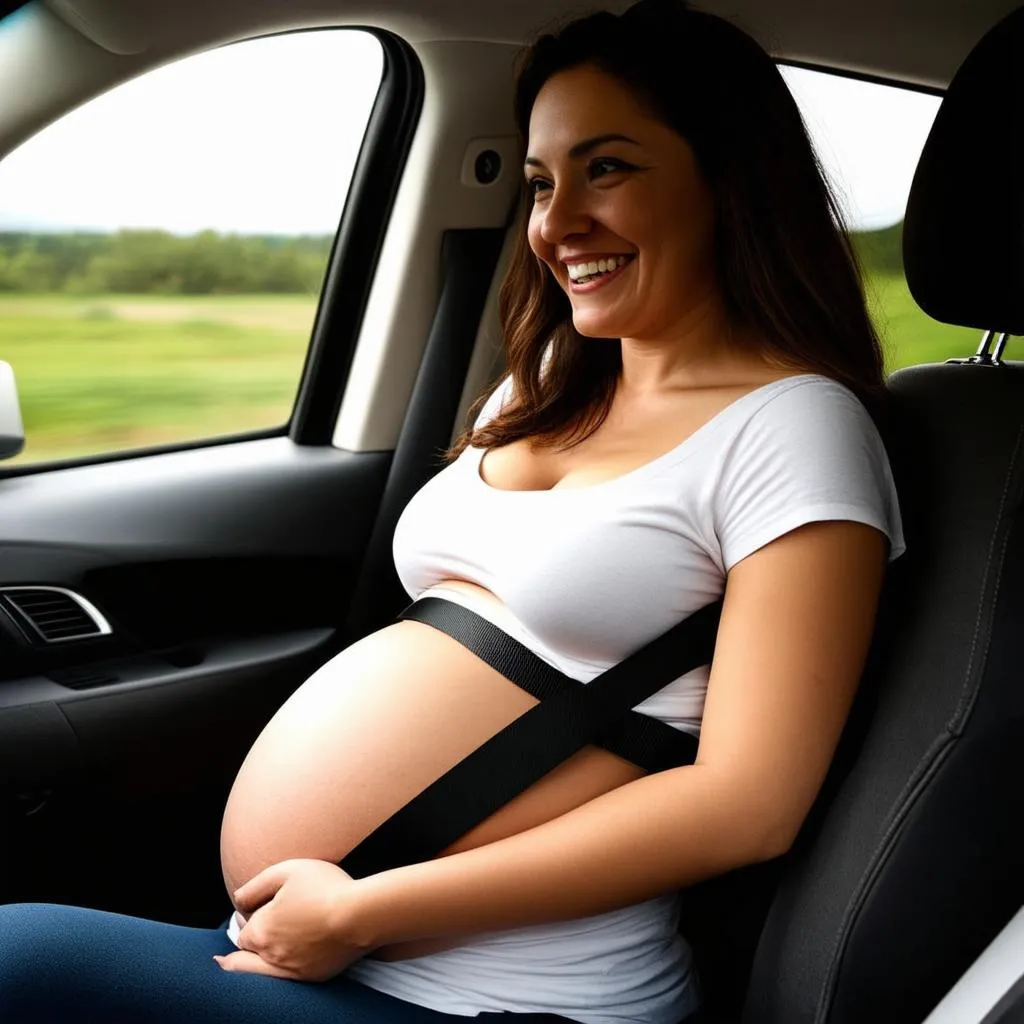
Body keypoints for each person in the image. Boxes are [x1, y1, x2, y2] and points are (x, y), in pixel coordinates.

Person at [0, 1, 906, 1022]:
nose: (556, 223)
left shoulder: (794, 429)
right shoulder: (540, 389)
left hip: (500, 996)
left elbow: (747, 803)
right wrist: (336, 914)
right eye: (539, 183)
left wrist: (364, 909)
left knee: (17, 959)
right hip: (333, 940)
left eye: (606, 168)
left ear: (729, 181)